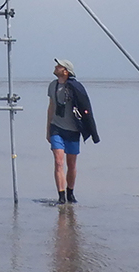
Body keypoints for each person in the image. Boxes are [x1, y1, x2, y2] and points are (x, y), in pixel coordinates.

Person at [47, 58, 99, 204]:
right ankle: (61, 196)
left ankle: (70, 192)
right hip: (56, 128)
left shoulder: (75, 87)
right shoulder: (52, 85)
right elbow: (51, 107)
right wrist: (48, 129)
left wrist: (89, 128)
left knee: (72, 164)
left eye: (59, 66)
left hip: (73, 130)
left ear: (66, 71)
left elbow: (85, 107)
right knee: (58, 162)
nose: (55, 67)